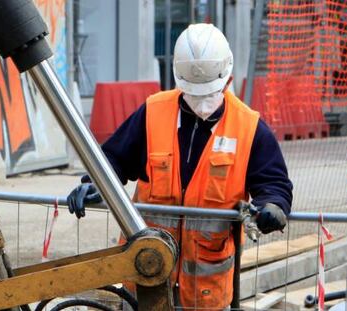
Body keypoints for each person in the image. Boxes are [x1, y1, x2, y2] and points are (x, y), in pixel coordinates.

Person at [67, 23, 293, 310]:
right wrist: (94, 183)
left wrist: (273, 205)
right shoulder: (153, 113)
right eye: (193, 93)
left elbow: (274, 183)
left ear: (228, 80)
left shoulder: (249, 128)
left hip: (205, 292)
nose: (201, 103)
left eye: (208, 94)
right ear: (178, 82)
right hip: (145, 274)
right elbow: (114, 160)